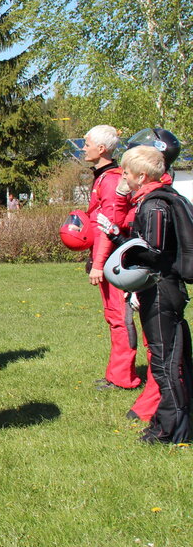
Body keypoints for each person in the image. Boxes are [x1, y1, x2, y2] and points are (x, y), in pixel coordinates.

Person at [112, 145, 192, 443]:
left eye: (127, 172)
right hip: (166, 287)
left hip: (160, 289)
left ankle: (170, 429)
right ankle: (172, 420)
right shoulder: (167, 199)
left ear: (142, 176)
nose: (124, 177)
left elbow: (153, 251)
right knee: (172, 357)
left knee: (164, 360)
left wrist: (124, 256)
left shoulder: (154, 205)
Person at [81, 125, 141, 390]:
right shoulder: (103, 177)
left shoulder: (110, 179)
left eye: (86, 143)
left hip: (116, 262)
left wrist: (97, 264)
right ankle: (116, 374)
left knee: (120, 317)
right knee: (113, 316)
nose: (83, 148)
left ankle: (124, 377)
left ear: (102, 149)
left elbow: (109, 225)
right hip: (110, 259)